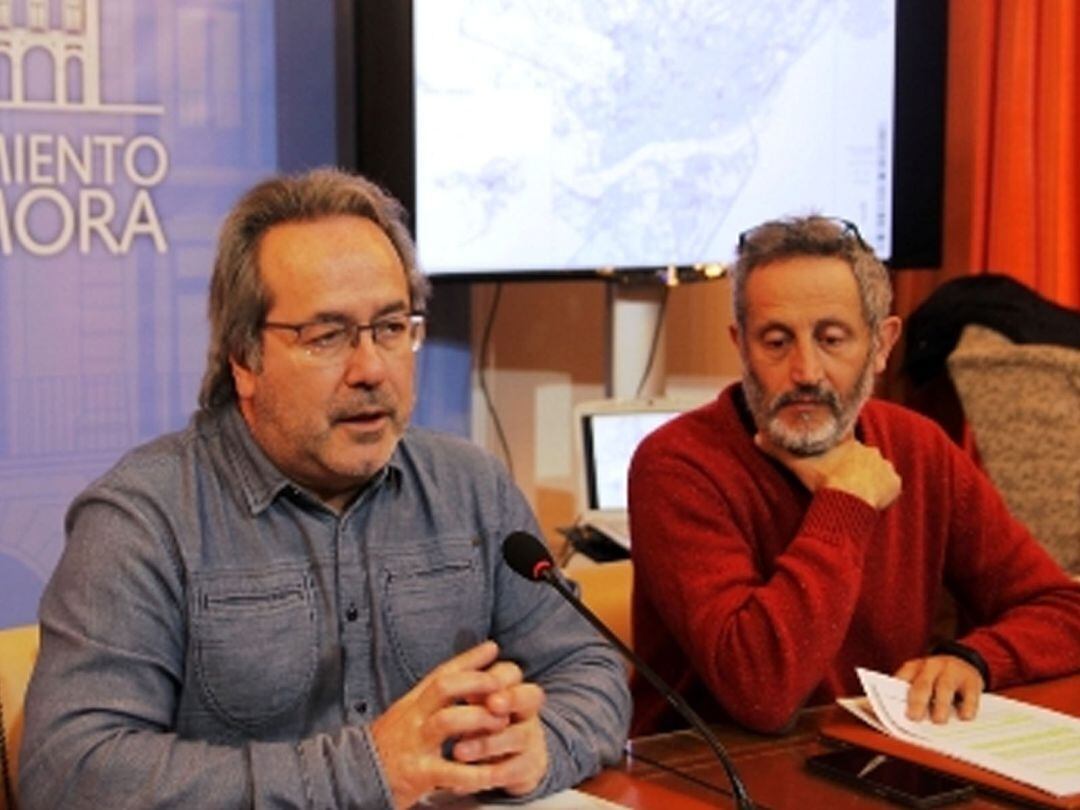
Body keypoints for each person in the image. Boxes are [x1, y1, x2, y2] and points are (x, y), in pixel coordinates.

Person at [20, 168, 630, 809]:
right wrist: (369, 770)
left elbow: (591, 672)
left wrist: (541, 745)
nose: (370, 369)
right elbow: (71, 774)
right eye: (327, 336)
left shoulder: (471, 487)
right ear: (243, 355)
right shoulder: (143, 522)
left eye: (392, 327)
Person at [628, 215, 1080, 735]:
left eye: (833, 339)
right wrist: (847, 501)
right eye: (776, 342)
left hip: (874, 755)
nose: (806, 372)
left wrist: (975, 659)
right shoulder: (676, 464)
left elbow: (1061, 607)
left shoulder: (920, 446)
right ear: (741, 346)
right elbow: (762, 693)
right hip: (715, 776)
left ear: (882, 344)